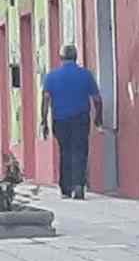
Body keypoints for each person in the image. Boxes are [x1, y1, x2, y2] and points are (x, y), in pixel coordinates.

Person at [40, 44, 103, 201]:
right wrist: (98, 117)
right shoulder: (86, 75)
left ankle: (66, 188)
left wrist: (44, 121)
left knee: (65, 151)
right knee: (80, 151)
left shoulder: (51, 77)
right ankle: (79, 186)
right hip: (80, 119)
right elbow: (97, 99)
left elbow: (46, 100)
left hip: (60, 120)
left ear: (61, 58)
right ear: (76, 57)